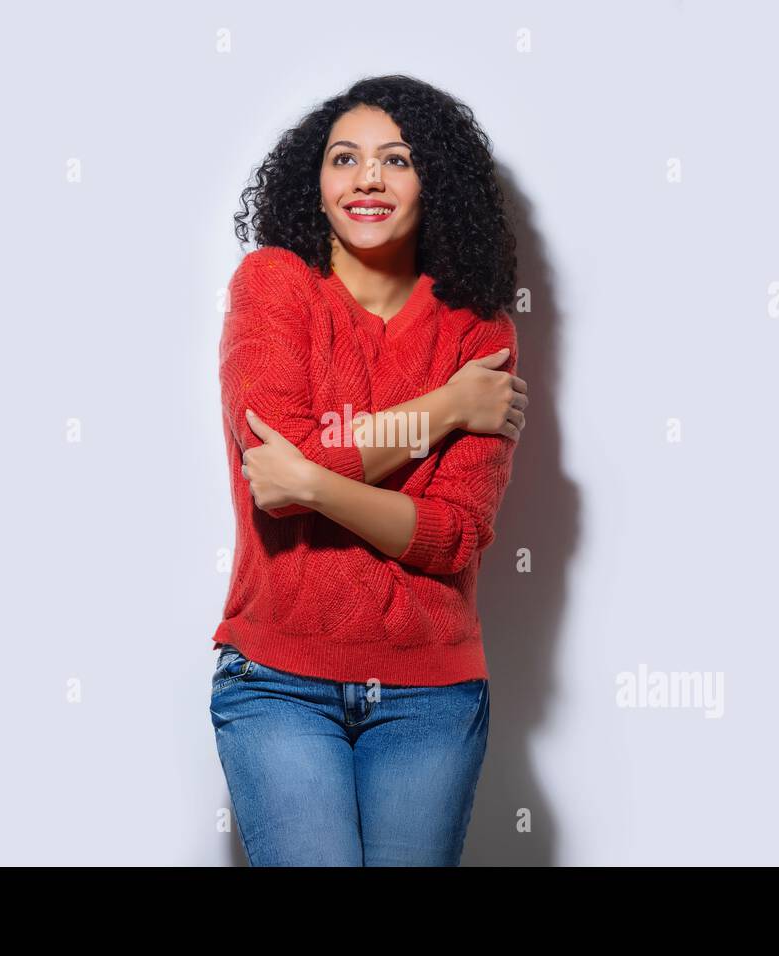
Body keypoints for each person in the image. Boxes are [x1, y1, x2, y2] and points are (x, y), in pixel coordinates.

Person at [211, 74, 528, 866]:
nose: (368, 178)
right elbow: (270, 472)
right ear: (314, 186)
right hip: (278, 680)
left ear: (437, 186)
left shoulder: (477, 328)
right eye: (344, 158)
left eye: (396, 159)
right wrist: (450, 408)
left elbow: (452, 536)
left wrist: (316, 484)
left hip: (432, 694)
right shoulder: (274, 287)